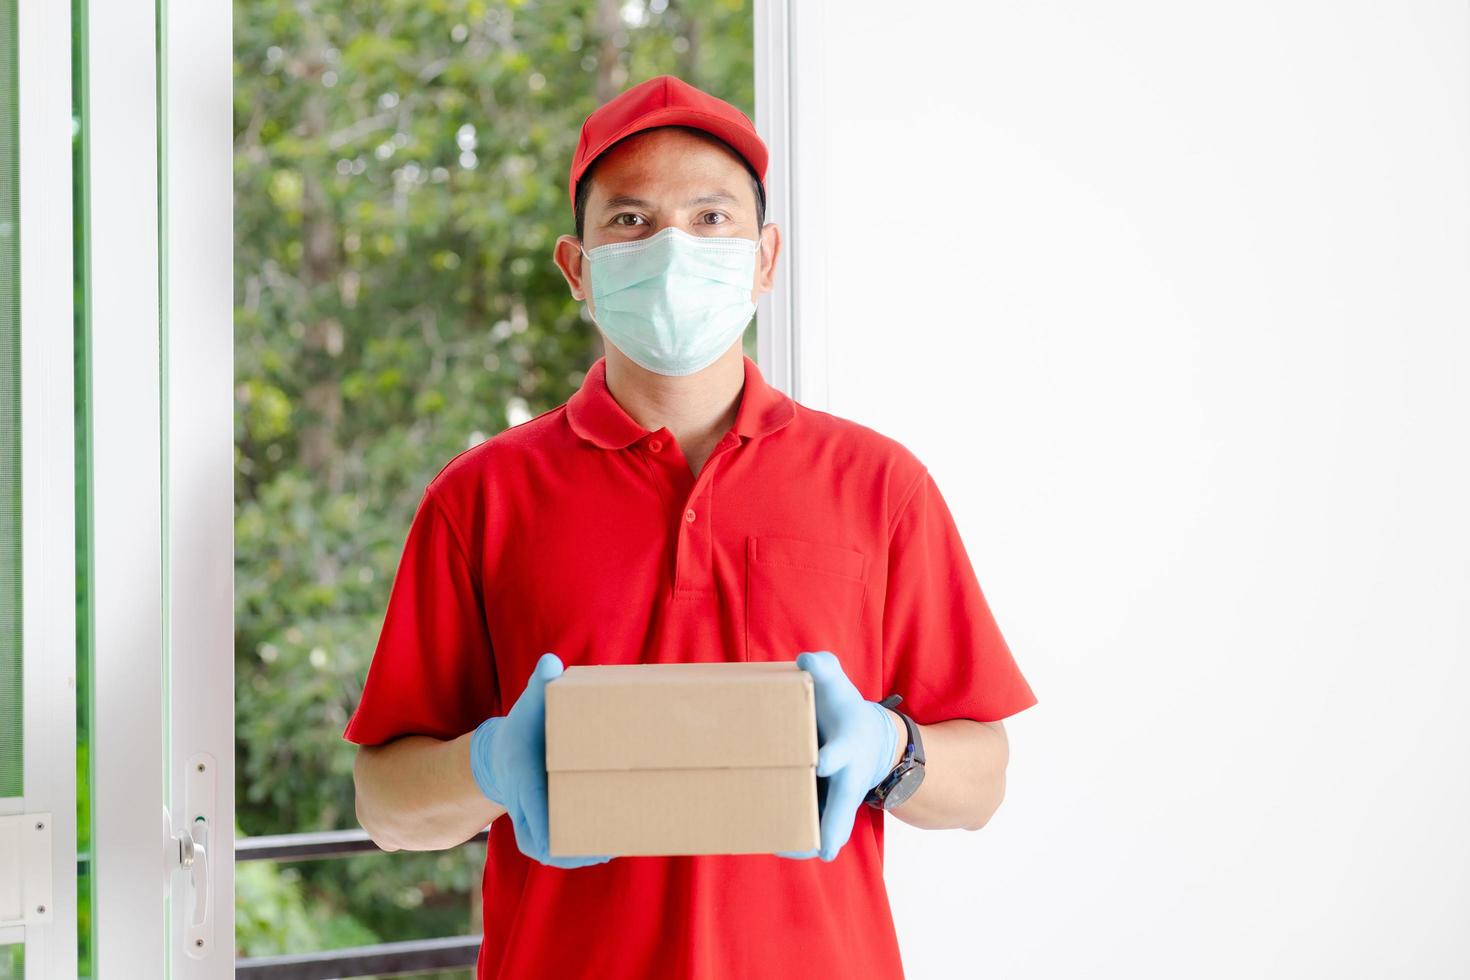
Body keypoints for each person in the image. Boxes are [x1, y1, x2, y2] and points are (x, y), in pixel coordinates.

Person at [344, 73, 1038, 980]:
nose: (674, 248)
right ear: (576, 267)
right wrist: (486, 764)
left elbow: (982, 778)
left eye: (712, 218)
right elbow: (386, 805)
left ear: (766, 257)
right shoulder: (483, 499)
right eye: (631, 221)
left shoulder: (880, 487)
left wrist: (893, 751)